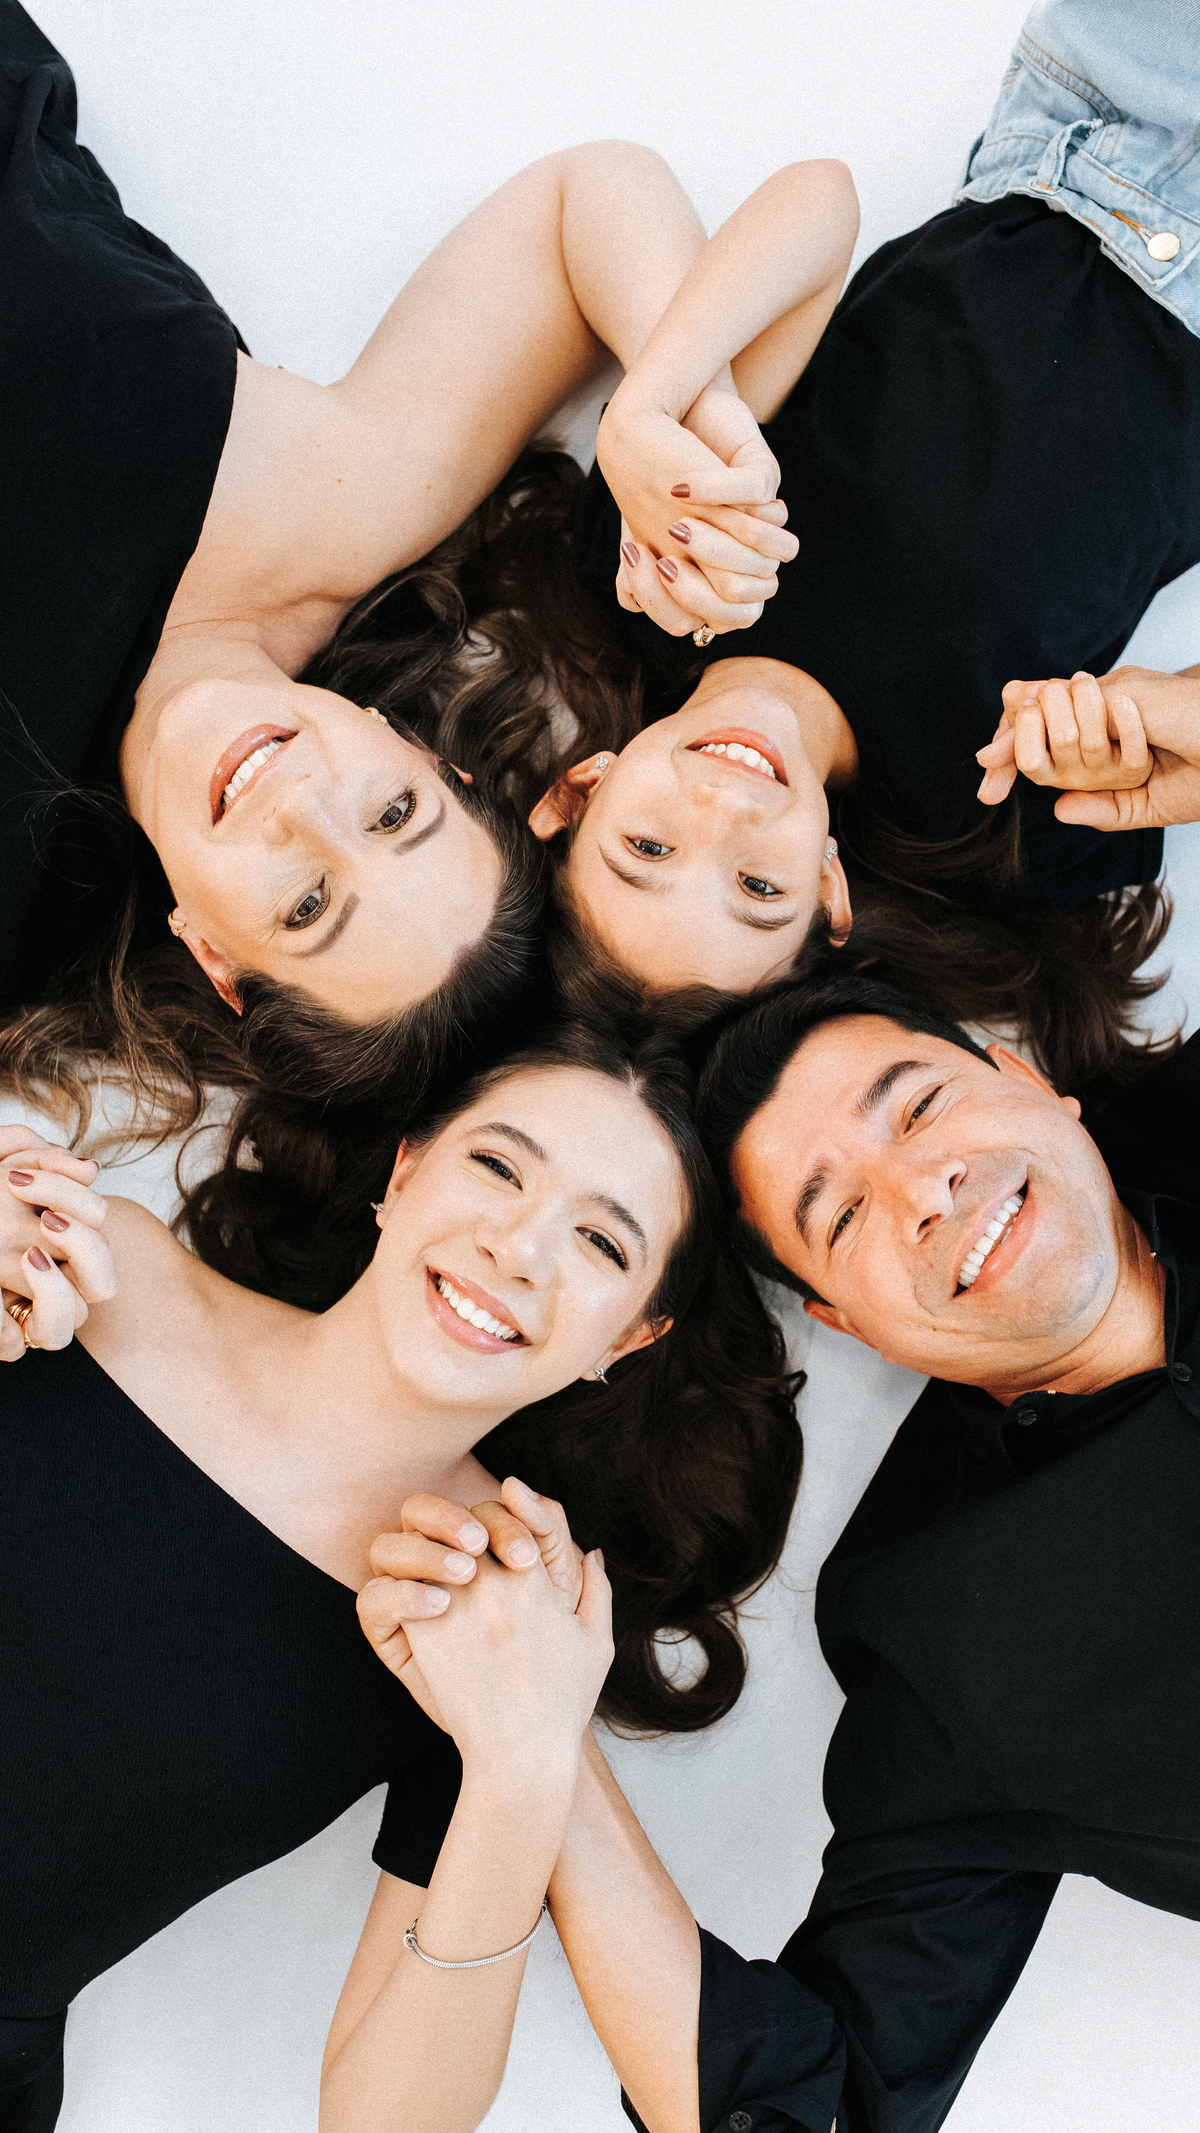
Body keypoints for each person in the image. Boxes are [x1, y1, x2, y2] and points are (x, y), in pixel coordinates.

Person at [360, 949, 1200, 2133]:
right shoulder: (938, 1627)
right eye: (843, 1215)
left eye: (921, 1106)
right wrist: (536, 1741)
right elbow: (816, 2111)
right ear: (846, 1323)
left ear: (1024, 1079)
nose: (924, 1191)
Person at [0, 0, 799, 1126]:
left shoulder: (19, 901)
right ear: (421, 753)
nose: (303, 805)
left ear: (218, 960)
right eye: (392, 813)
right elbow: (587, 199)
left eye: (308, 906)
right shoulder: (353, 498)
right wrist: (669, 411)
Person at [0, 1026, 803, 2133]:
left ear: (629, 1340)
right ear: (406, 1170)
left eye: (600, 1243)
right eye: (499, 1166)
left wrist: (523, 1768)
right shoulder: (96, 1271)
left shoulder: (489, 1610)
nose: (517, 1248)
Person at [522, 0, 1200, 1089]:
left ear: (582, 787)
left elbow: (821, 201)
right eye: (759, 890)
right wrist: (1119, 731)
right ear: (828, 894)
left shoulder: (651, 568)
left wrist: (656, 403)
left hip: (1107, 130)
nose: (723, 815)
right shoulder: (980, 818)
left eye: (647, 848)